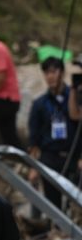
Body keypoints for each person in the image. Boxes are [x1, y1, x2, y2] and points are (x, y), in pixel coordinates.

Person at [28, 56, 78, 209]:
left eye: (53, 71)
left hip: (73, 156)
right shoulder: (39, 104)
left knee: (76, 200)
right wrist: (33, 167)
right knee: (53, 203)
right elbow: (34, 138)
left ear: (61, 72)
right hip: (49, 157)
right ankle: (52, 227)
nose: (50, 76)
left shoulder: (75, 97)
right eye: (46, 73)